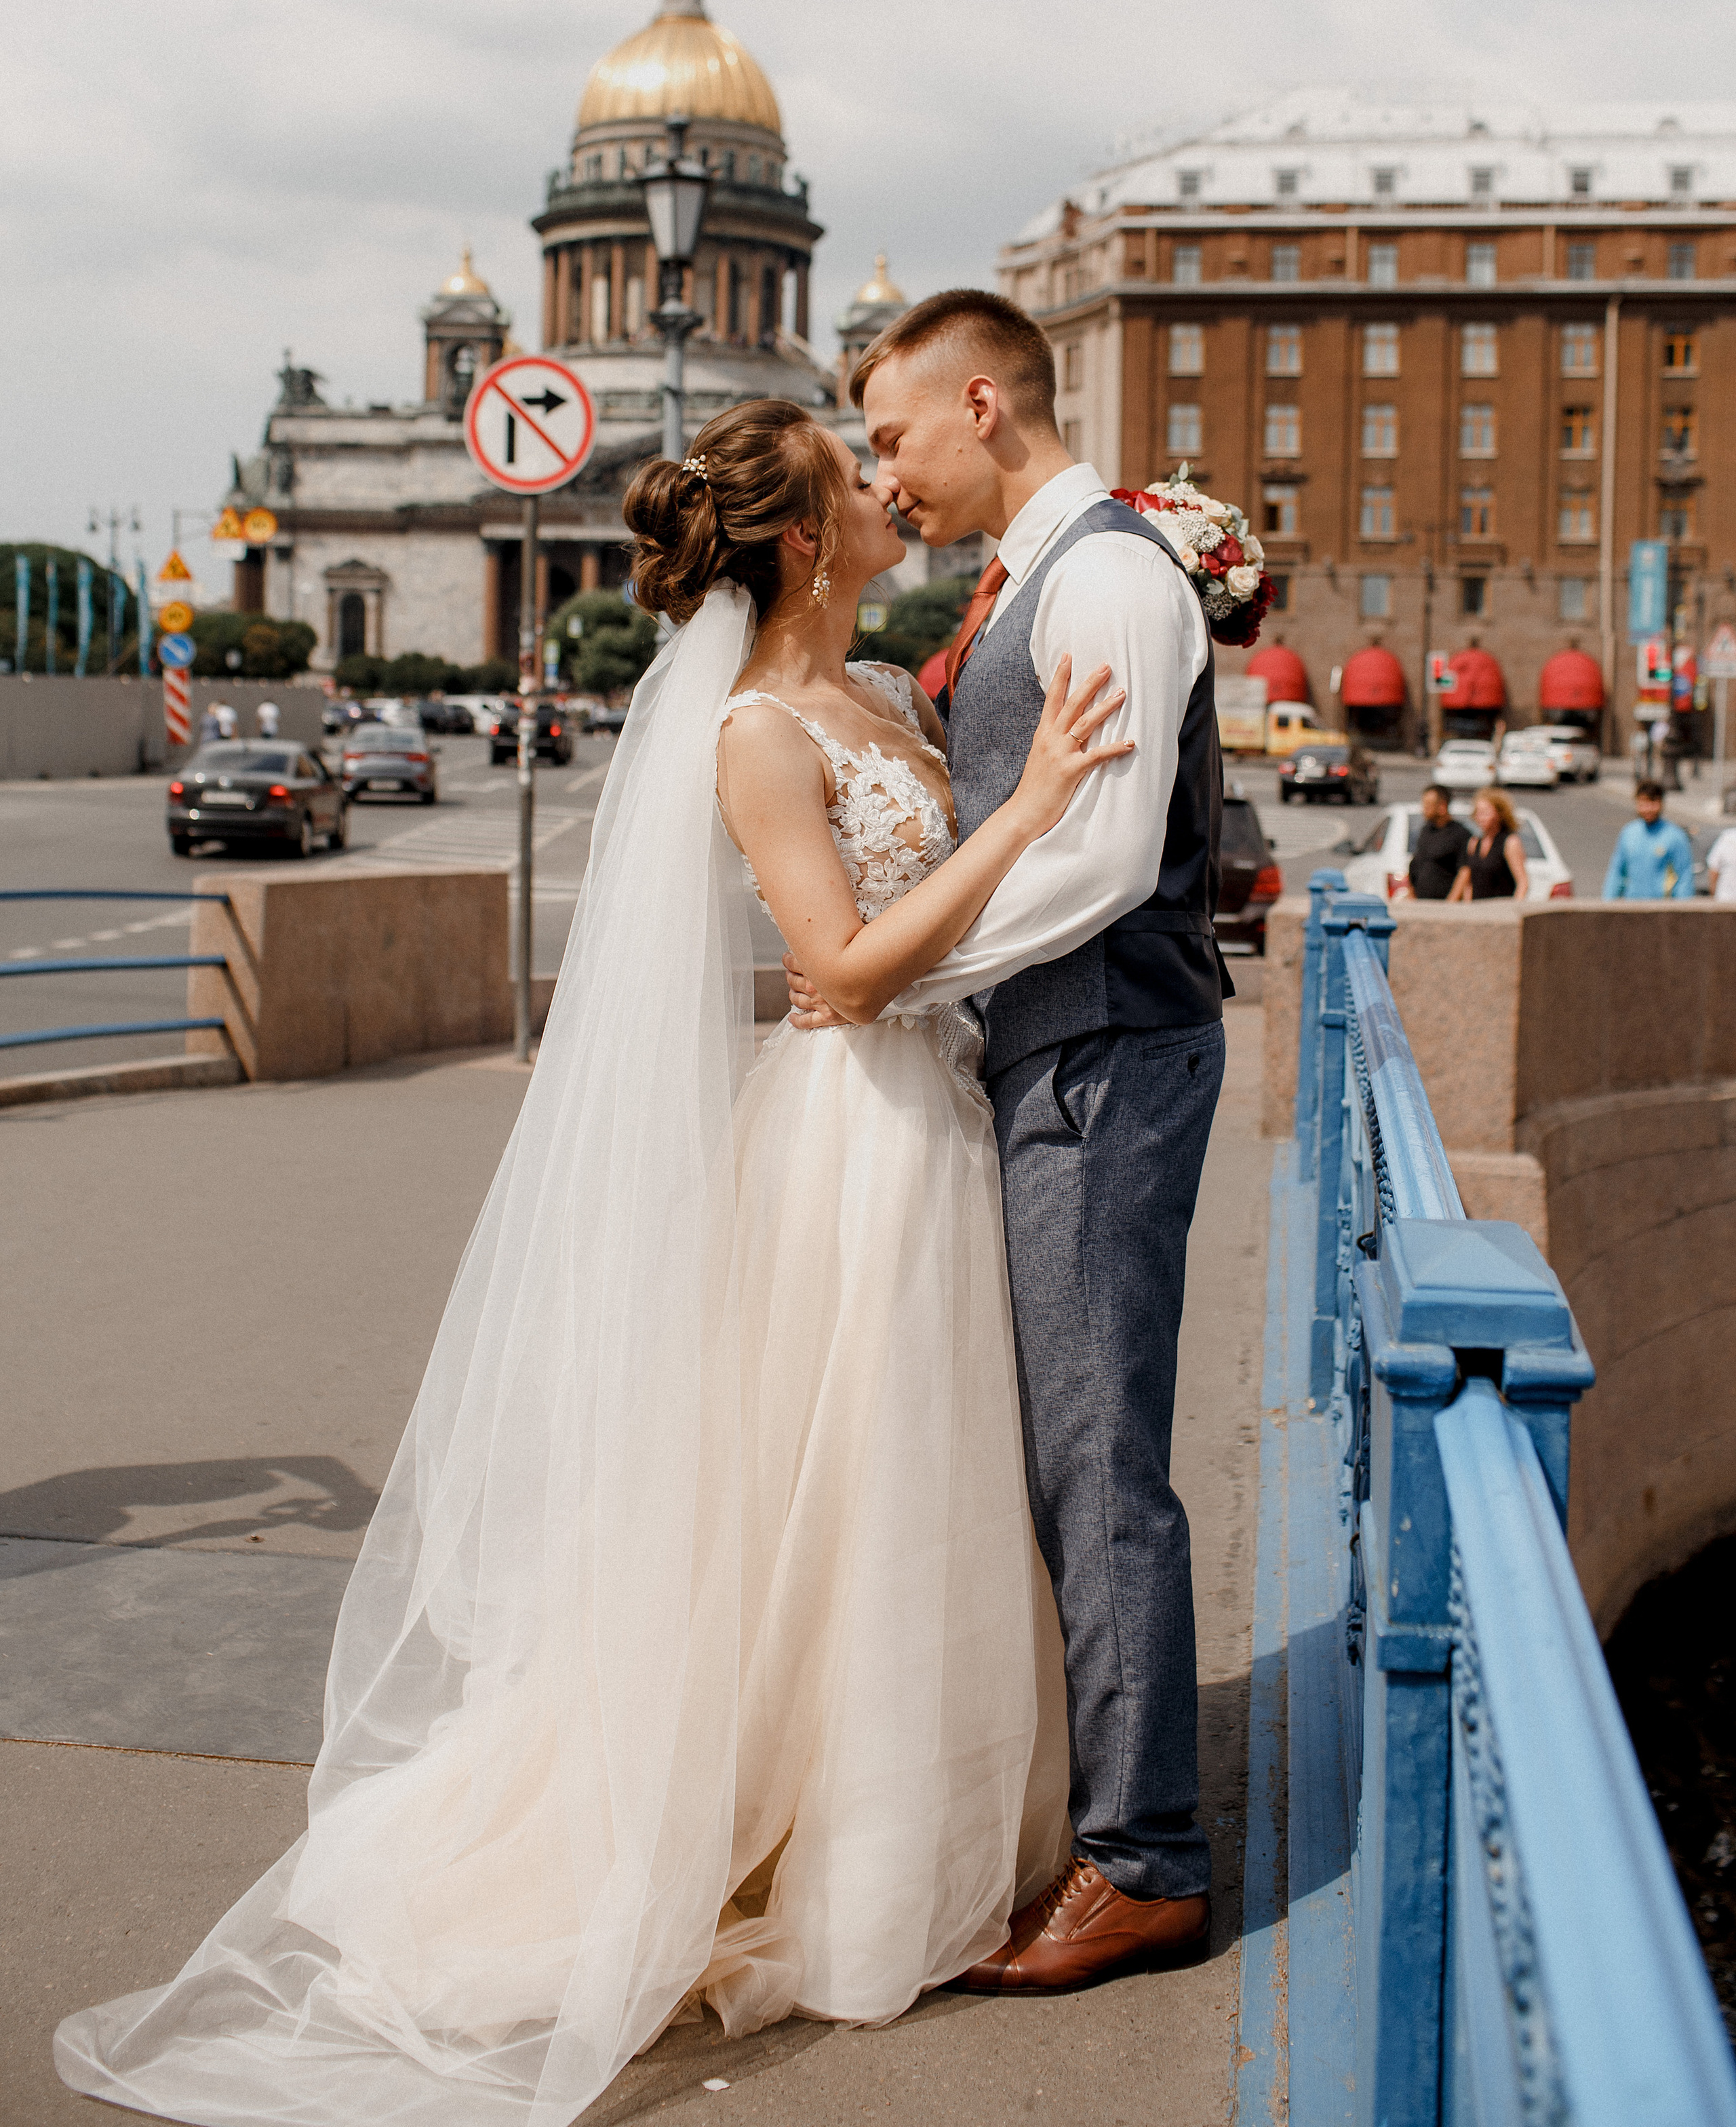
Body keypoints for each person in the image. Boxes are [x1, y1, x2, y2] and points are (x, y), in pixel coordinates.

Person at [56, 397, 1130, 2125]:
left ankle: (883, 1812)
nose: (884, 489)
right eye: (851, 475)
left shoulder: (880, 691)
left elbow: (902, 937)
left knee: (898, 1484)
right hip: (854, 1135)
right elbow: (846, 967)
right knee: (841, 1477)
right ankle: (812, 1845)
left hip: (934, 1110)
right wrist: (1033, 814)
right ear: (803, 539)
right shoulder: (755, 731)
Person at [789, 286, 1224, 1993]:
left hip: (1104, 1050)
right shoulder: (1039, 574)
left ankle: (1145, 1860)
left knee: (1093, 1455)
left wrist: (901, 981)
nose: (885, 474)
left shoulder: (1106, 575)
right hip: (1061, 1050)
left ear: (980, 402)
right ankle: (1111, 1812)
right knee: (1063, 1446)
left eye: (892, 434)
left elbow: (1102, 859)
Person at [1603, 780, 1697, 900]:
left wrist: (1683, 908)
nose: (1648, 809)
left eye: (1653, 802)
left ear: (1661, 803)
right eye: (1643, 803)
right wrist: (1608, 903)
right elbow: (1617, 873)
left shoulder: (1675, 836)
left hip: (1662, 907)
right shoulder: (1628, 833)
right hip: (1631, 906)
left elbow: (1684, 878)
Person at [1448, 789, 1530, 901]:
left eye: (1486, 813)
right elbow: (1469, 883)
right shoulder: (1474, 842)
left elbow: (1523, 883)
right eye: (1478, 813)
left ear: (1500, 814)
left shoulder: (1510, 842)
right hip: (1477, 908)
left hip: (1500, 907)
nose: (1481, 818)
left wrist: (1513, 907)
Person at [1409, 782, 1470, 901]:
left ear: (1442, 806)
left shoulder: (1460, 834)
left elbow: (1464, 871)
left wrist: (1451, 902)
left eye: (1428, 805)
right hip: (1420, 902)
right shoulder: (1426, 830)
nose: (1424, 809)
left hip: (1443, 905)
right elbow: (1416, 864)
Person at [1705, 820, 1736, 902]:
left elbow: (1713, 870)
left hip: (1724, 900)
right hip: (1725, 900)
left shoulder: (1728, 837)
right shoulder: (1728, 837)